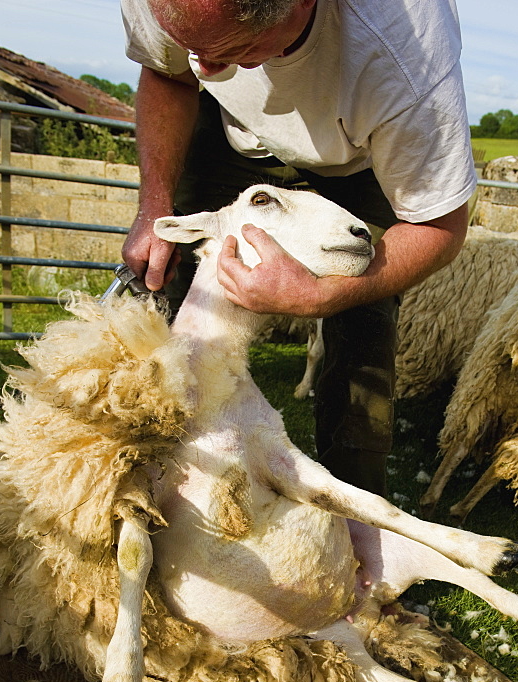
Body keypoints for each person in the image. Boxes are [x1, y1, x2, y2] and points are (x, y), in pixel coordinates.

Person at [120, 0, 476, 495]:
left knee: (363, 328)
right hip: (227, 138)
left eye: (233, 49)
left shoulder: (405, 58)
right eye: (192, 47)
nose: (206, 68)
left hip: (358, 159)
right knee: (169, 285)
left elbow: (441, 225)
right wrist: (155, 202)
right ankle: (129, 481)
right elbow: (170, 76)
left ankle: (359, 531)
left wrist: (323, 297)